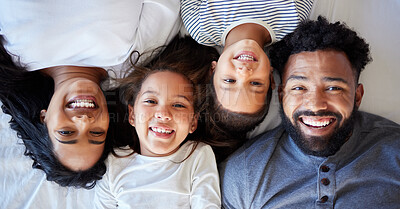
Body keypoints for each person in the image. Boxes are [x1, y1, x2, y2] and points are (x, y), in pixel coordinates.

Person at [219, 17, 400, 208]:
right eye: (299, 88)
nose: (315, 106)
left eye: (333, 88)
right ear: (281, 95)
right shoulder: (243, 174)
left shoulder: (395, 152)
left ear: (357, 96)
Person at [0, 0, 181, 188]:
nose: (84, 121)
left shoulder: (17, 49)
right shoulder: (133, 63)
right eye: (96, 132)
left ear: (44, 117)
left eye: (66, 132)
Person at [180, 0, 314, 160]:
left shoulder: (200, 26)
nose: (244, 73)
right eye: (255, 83)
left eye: (229, 81)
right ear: (271, 78)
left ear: (213, 69)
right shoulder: (293, 19)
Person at [94, 43, 221, 208]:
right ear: (132, 115)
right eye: (151, 101)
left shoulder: (197, 156)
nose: (163, 113)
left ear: (193, 122)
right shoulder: (114, 164)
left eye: (179, 105)